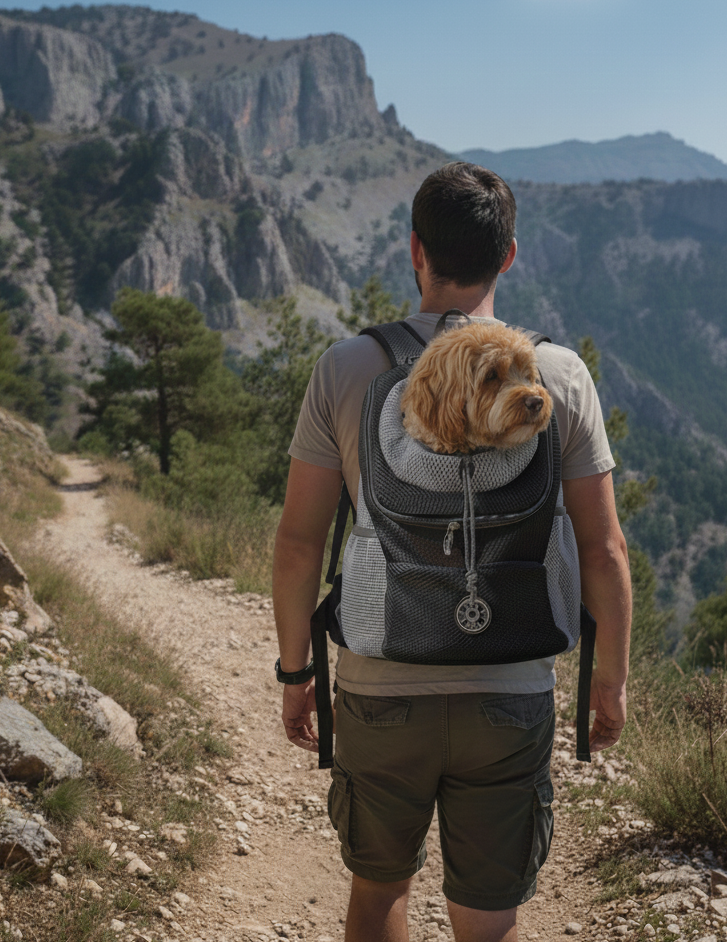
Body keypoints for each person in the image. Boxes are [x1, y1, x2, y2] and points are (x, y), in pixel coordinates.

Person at [272, 162, 631, 942]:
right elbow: (604, 550)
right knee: (490, 917)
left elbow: (299, 544)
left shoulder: (346, 367)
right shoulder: (559, 375)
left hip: (379, 683)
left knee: (378, 892)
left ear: (415, 250)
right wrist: (610, 680)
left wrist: (296, 673)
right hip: (511, 688)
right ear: (509, 256)